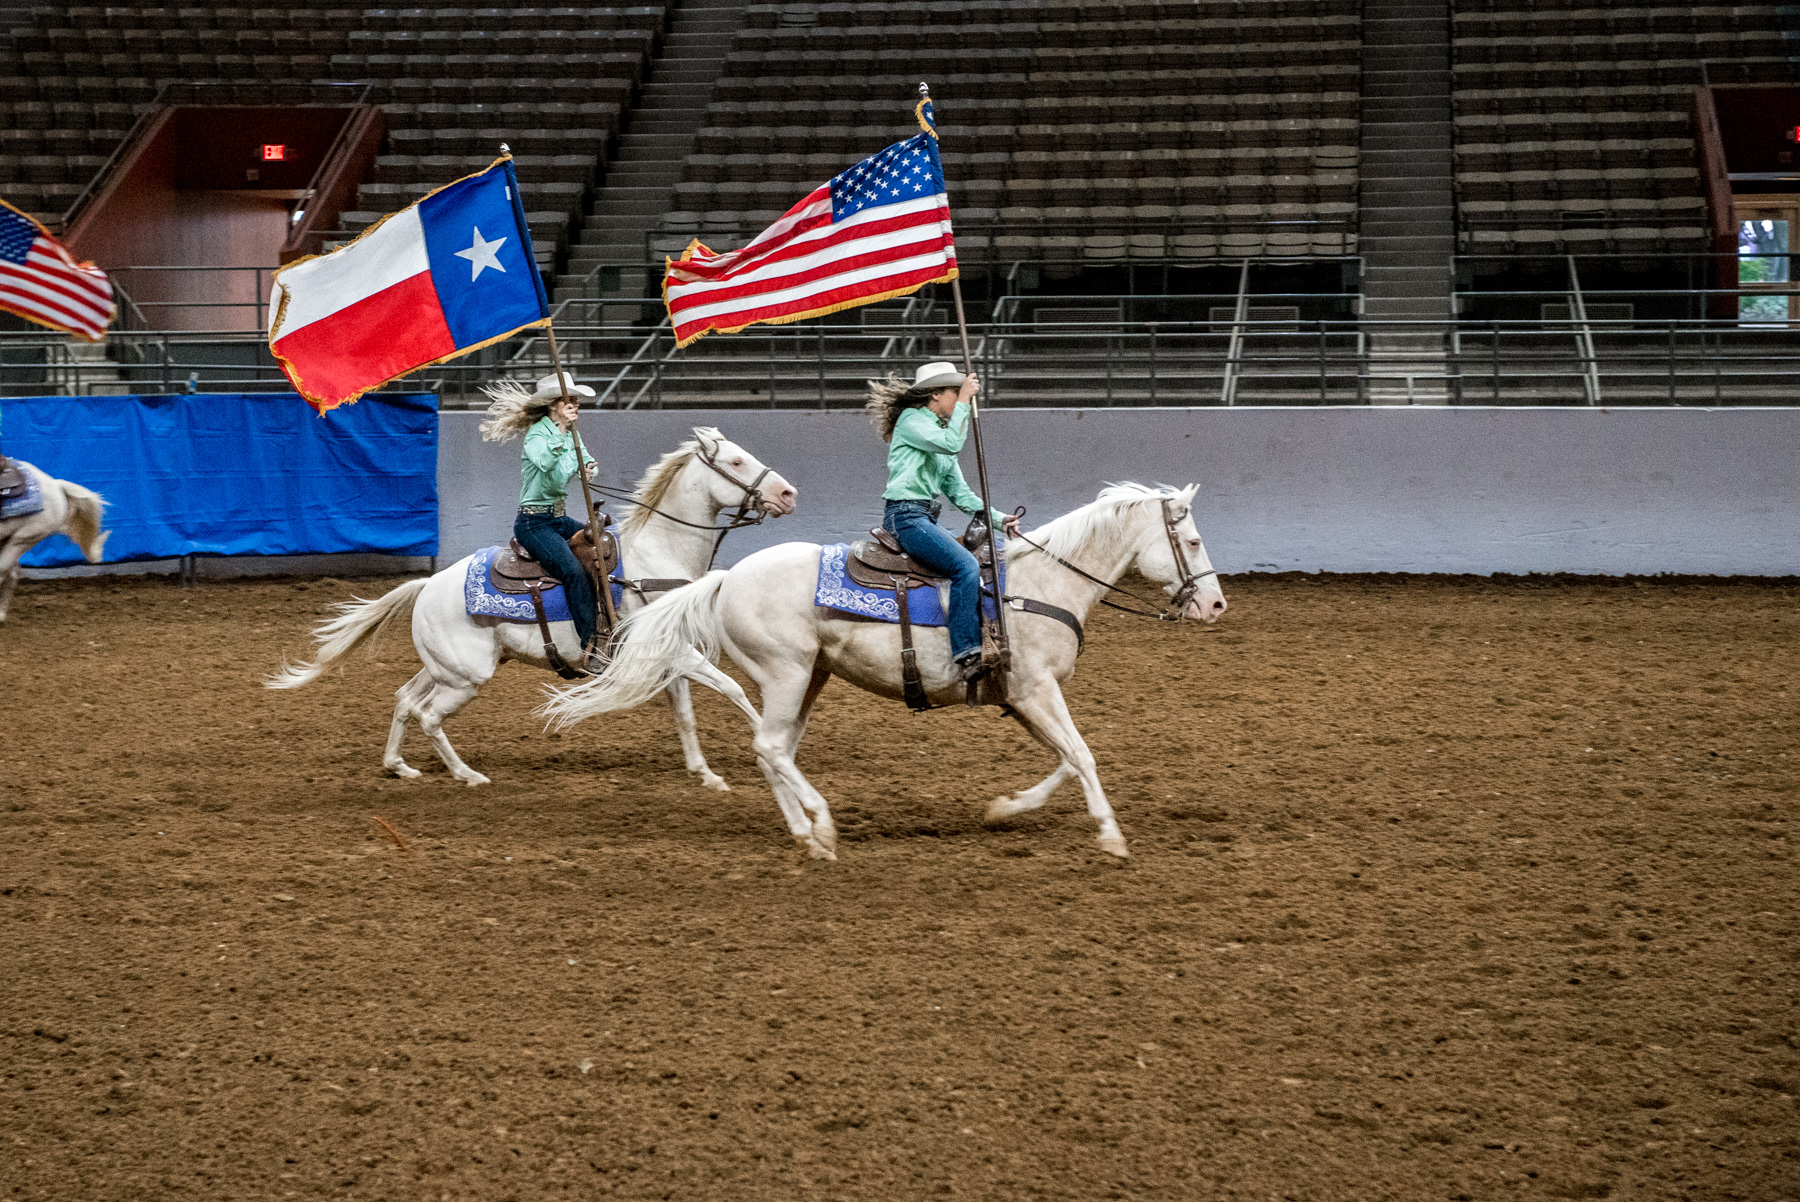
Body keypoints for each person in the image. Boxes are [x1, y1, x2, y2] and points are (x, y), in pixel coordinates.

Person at [865, 361, 1021, 683]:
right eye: (953, 391)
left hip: (922, 517)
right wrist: (965, 399)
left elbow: (961, 495)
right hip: (906, 516)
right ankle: (967, 654)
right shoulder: (912, 421)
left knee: (972, 564)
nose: (959, 398)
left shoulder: (937, 436)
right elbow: (953, 442)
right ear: (935, 394)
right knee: (966, 567)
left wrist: (998, 519)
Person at [479, 371, 604, 667]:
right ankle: (591, 648)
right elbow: (547, 463)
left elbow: (586, 460)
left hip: (557, 519)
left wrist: (588, 468)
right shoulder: (537, 434)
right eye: (568, 400)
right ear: (552, 405)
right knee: (573, 571)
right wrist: (562, 430)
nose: (575, 404)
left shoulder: (573, 432)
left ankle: (606, 620)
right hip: (533, 523)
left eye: (575, 400)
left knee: (602, 548)